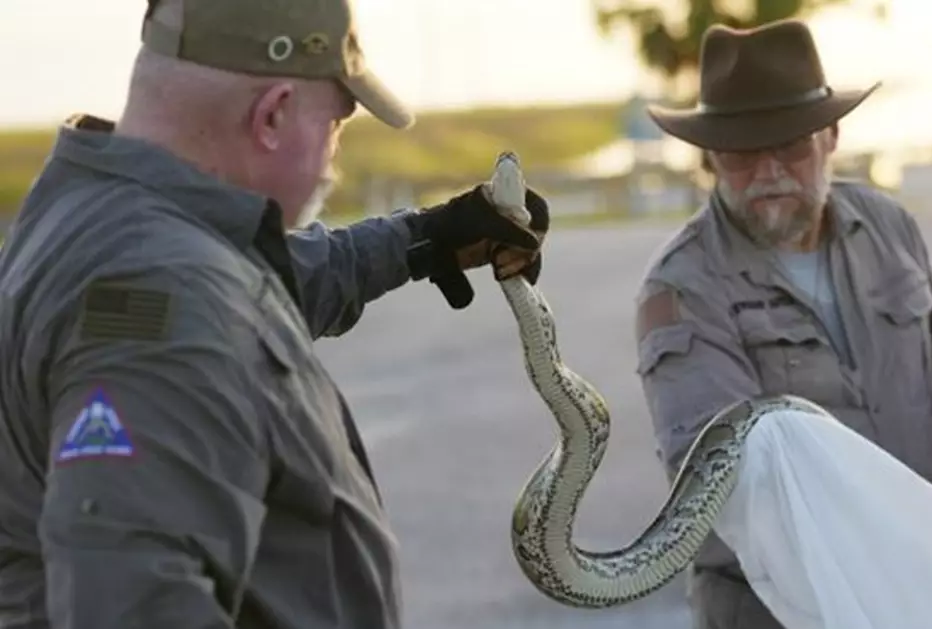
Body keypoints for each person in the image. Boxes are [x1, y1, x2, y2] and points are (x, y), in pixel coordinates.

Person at [0, 0, 549, 627]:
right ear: (272, 115)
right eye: (338, 126)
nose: (333, 162)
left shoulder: (106, 220)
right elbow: (128, 605)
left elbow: (258, 286)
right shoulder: (162, 301)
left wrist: (426, 239)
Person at [632, 19, 932, 629]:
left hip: (916, 589)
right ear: (710, 160)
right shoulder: (681, 285)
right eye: (742, 154)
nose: (769, 171)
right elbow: (726, 482)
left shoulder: (886, 225)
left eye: (790, 145)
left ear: (830, 136)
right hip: (773, 609)